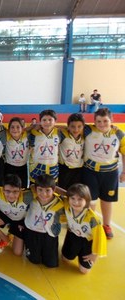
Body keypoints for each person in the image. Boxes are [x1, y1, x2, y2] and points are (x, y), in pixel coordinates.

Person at [82, 108, 125, 239]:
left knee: (107, 200)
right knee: (91, 201)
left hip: (110, 172)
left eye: (105, 121)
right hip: (90, 171)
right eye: (98, 121)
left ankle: (106, 225)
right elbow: (70, 129)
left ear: (111, 120)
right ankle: (91, 224)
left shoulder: (119, 134)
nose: (101, 124)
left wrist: (124, 172)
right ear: (94, 121)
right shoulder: (88, 130)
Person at [61, 184, 107, 274]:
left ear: (87, 200)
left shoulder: (92, 219)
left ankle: (82, 256)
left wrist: (95, 255)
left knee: (84, 271)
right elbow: (59, 192)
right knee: (65, 259)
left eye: (80, 199)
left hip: (87, 241)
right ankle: (72, 252)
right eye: (73, 198)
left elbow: (100, 238)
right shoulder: (67, 205)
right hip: (72, 235)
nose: (76, 202)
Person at [23, 174, 64, 268]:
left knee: (51, 264)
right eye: (40, 189)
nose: (43, 194)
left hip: (49, 235)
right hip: (32, 232)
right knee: (34, 260)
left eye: (48, 190)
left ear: (54, 190)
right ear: (35, 189)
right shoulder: (30, 198)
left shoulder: (60, 203)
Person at [0, 174, 33, 255]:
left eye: (15, 192)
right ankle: (5, 239)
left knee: (17, 252)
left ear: (21, 190)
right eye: (7, 191)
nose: (11, 195)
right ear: (2, 189)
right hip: (5, 213)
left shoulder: (27, 196)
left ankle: (13, 233)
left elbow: (42, 189)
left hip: (20, 219)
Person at [29, 110, 60, 182]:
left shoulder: (59, 133)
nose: (47, 122)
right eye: (44, 120)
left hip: (53, 169)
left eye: (50, 120)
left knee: (51, 191)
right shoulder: (33, 133)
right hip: (36, 169)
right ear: (40, 122)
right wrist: (33, 126)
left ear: (55, 121)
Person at [58, 113, 85, 190]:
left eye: (79, 126)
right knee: (63, 191)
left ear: (83, 127)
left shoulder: (85, 136)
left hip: (79, 170)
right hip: (64, 169)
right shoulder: (62, 135)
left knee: (76, 192)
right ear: (68, 126)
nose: (76, 130)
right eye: (72, 126)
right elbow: (51, 127)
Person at [4, 117, 30, 188]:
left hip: (23, 168)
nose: (15, 129)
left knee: (23, 188)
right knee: (9, 188)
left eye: (18, 127)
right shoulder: (6, 136)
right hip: (9, 167)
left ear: (22, 129)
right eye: (12, 127)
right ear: (9, 129)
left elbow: (36, 127)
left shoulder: (27, 136)